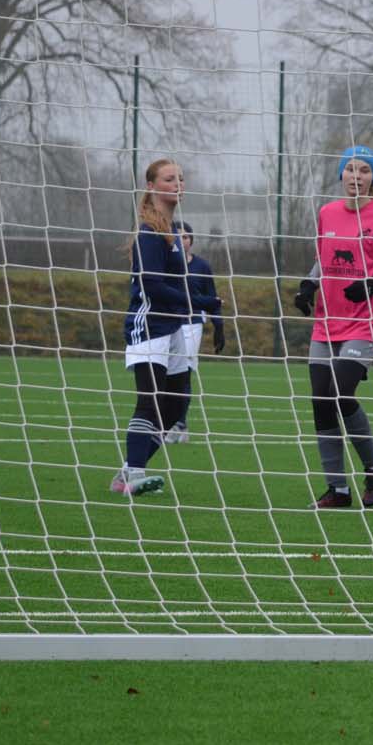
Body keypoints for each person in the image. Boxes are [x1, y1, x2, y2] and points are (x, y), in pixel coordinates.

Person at [292, 145, 373, 510]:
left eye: (364, 170)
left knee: (341, 393)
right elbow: (323, 259)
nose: (356, 176)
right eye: (351, 169)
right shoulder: (327, 213)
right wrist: (308, 284)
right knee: (321, 402)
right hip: (325, 323)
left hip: (363, 323)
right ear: (340, 174)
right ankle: (337, 490)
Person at [113, 158, 217, 498]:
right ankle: (135, 475)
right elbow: (153, 286)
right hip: (149, 326)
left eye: (180, 179)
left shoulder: (170, 231)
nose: (178, 184)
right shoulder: (149, 232)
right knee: (150, 401)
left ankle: (127, 471)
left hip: (172, 327)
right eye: (170, 179)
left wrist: (205, 305)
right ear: (152, 186)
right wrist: (198, 302)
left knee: (176, 403)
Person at [160, 221, 227, 445]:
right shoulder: (164, 263)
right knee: (166, 374)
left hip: (192, 325)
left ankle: (177, 424)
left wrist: (219, 326)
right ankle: (178, 423)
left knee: (183, 372)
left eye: (186, 237)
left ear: (191, 240)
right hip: (167, 323)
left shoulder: (201, 266)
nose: (182, 240)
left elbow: (212, 298)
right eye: (177, 236)